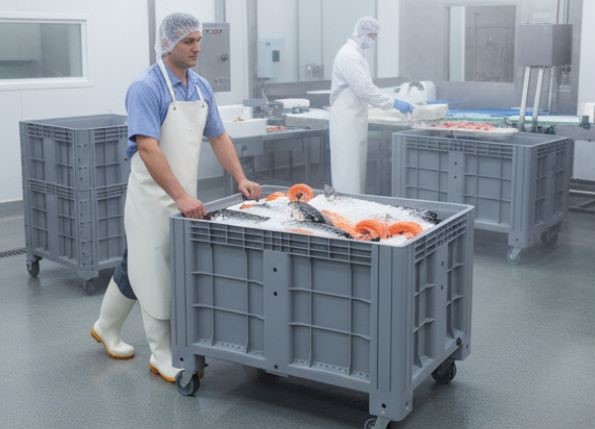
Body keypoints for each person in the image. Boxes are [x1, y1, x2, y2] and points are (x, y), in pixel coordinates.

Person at [90, 12, 261, 383]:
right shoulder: (146, 88)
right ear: (167, 44)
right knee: (154, 269)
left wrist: (240, 177)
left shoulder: (200, 87)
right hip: (151, 200)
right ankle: (162, 353)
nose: (197, 48)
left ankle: (105, 326)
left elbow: (218, 136)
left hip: (184, 198)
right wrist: (180, 195)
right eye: (188, 41)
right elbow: (148, 148)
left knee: (137, 262)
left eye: (199, 40)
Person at [329, 16, 413, 194]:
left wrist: (389, 101)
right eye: (372, 36)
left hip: (354, 117)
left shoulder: (358, 54)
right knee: (347, 170)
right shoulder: (349, 55)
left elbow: (365, 87)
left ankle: (354, 203)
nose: (374, 40)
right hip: (346, 119)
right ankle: (345, 205)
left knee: (356, 169)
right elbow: (364, 89)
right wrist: (393, 102)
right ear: (362, 33)